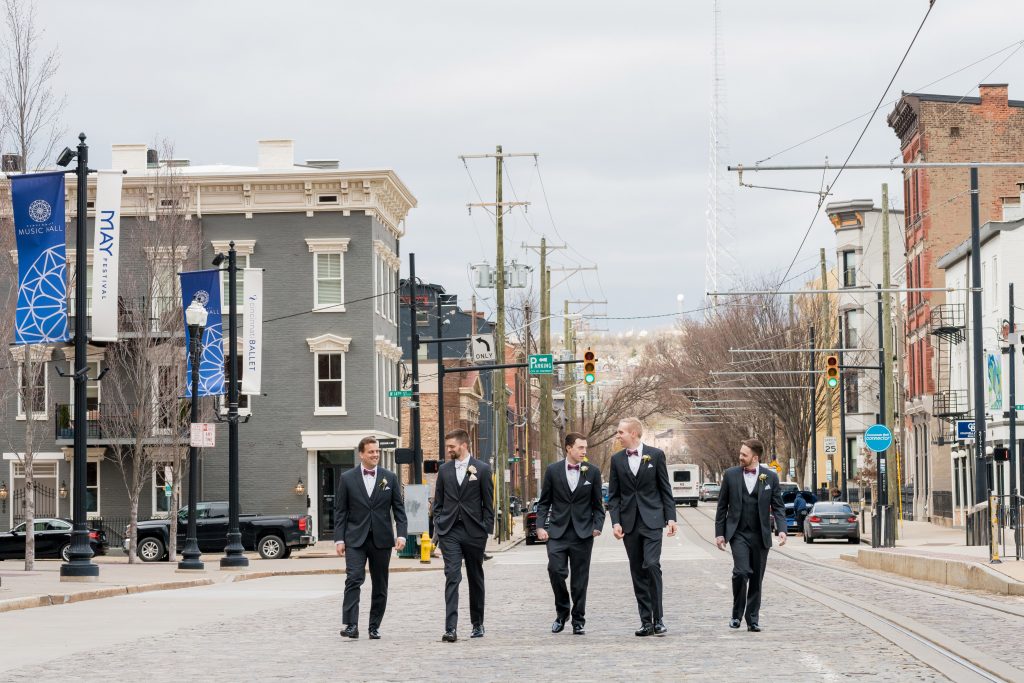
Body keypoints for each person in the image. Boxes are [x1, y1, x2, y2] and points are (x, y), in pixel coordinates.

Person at [607, 417, 678, 637]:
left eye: (621, 432)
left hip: (653, 521)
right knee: (637, 571)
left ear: (634, 433)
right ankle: (645, 621)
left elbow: (665, 489)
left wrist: (671, 518)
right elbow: (614, 496)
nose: (618, 436)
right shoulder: (616, 460)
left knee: (652, 564)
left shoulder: (655, 456)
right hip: (629, 524)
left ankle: (659, 619)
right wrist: (616, 522)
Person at [334, 436, 408, 640]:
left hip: (382, 540)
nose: (375, 455)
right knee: (353, 579)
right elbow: (340, 511)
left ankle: (374, 626)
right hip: (355, 539)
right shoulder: (347, 479)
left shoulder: (389, 477)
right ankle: (351, 625)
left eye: (377, 451)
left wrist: (401, 534)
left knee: (380, 584)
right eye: (371, 452)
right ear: (361, 454)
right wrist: (339, 539)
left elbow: (399, 510)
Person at [536, 432, 606, 635]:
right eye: (580, 447)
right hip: (557, 533)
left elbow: (598, 506)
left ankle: (578, 619)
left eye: (585, 448)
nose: (584, 451)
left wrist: (597, 526)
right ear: (568, 448)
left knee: (579, 581)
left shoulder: (592, 472)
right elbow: (544, 502)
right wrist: (541, 526)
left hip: (583, 534)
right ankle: (562, 612)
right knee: (556, 572)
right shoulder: (552, 470)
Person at [714, 438, 786, 633]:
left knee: (756, 579)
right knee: (741, 572)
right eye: (740, 453)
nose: (740, 457)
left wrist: (782, 529)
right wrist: (720, 534)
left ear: (755, 457)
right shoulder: (730, 475)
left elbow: (778, 506)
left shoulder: (770, 477)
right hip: (738, 533)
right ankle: (736, 615)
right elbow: (722, 507)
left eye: (744, 454)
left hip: (761, 535)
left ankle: (752, 619)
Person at [433, 428, 494, 642]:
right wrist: (438, 525)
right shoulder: (444, 470)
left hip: (474, 532)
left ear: (464, 445)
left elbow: (488, 504)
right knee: (452, 575)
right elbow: (438, 502)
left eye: (452, 446)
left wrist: (485, 530)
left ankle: (477, 623)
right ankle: (451, 628)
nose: (448, 449)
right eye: (448, 446)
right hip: (450, 530)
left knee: (475, 576)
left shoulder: (483, 469)